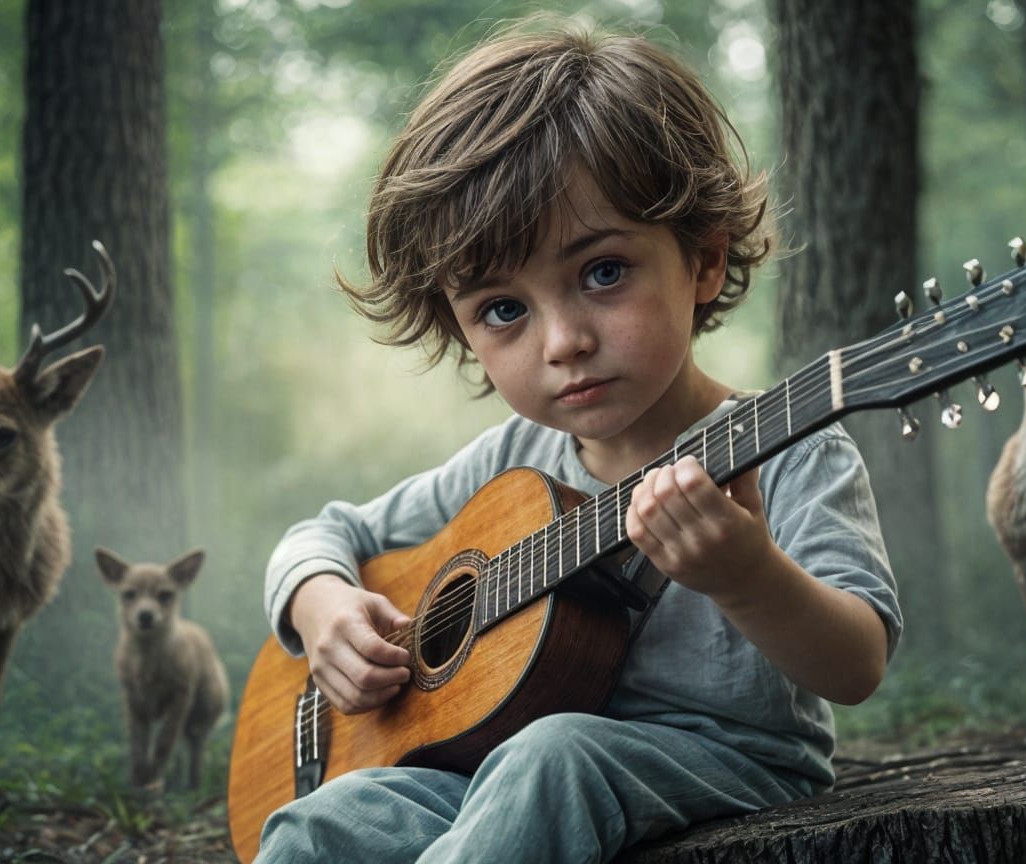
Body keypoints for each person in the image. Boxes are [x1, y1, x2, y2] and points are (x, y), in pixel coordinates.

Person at [256, 22, 901, 864]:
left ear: (704, 261)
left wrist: (749, 577)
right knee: (320, 822)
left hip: (726, 765)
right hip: (496, 781)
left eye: (603, 272)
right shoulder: (509, 463)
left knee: (555, 755)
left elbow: (856, 665)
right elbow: (324, 534)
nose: (563, 342)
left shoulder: (787, 446)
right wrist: (323, 606)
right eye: (503, 310)